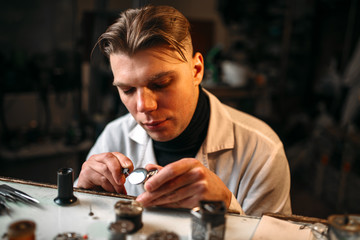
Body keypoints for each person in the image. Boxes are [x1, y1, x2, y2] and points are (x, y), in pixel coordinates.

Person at [76, 5, 292, 216]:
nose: (143, 106)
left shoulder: (261, 152)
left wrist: (225, 208)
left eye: (161, 84)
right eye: (128, 89)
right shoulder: (114, 136)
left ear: (196, 70)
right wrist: (82, 198)